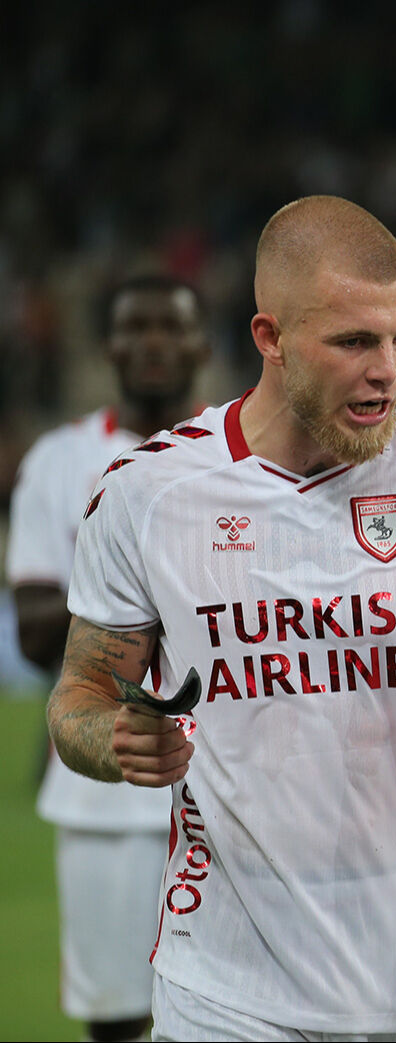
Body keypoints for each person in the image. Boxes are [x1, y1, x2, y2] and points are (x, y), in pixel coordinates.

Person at [46, 195, 396, 1042]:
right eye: (354, 342)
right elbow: (78, 696)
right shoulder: (150, 493)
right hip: (226, 987)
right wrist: (113, 739)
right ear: (271, 337)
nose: (387, 369)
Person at [6, 274, 210, 1043]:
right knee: (120, 1017)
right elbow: (32, 633)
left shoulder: (240, 455)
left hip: (229, 784)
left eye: (171, 326)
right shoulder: (60, 461)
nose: (153, 342)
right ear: (108, 347)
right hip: (103, 795)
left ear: (202, 345)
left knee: (245, 1014)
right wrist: (147, 604)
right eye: (136, 327)